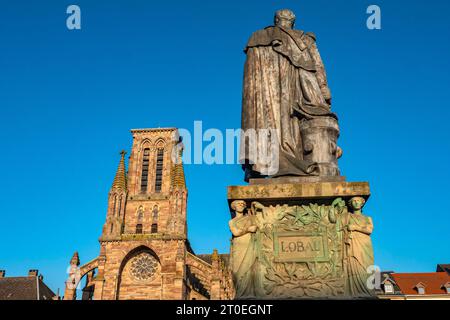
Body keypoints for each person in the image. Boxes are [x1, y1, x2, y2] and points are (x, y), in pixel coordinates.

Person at [240, 9, 332, 181]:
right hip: (297, 94)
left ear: (276, 20)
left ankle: (264, 159)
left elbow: (250, 85)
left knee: (272, 121)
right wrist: (324, 91)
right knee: (293, 123)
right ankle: (295, 158)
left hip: (266, 99)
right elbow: (318, 69)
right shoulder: (304, 40)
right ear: (293, 22)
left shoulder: (257, 38)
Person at [344, 197, 375, 297]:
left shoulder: (367, 218)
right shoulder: (347, 216)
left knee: (365, 267)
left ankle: (367, 291)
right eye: (354, 201)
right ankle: (355, 292)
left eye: (358, 201)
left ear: (362, 203)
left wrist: (355, 227)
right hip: (353, 242)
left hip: (364, 244)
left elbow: (369, 230)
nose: (356, 203)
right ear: (350, 203)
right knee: (354, 264)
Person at [228, 200, 260, 298]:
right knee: (237, 271)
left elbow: (257, 222)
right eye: (239, 204)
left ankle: (249, 294)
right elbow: (235, 232)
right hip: (239, 247)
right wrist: (248, 229)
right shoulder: (232, 221)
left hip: (249, 245)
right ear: (234, 207)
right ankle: (240, 294)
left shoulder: (249, 218)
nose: (241, 206)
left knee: (250, 269)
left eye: (243, 204)